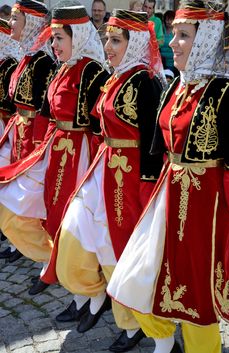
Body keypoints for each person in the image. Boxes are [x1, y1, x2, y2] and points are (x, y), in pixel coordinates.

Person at [107, 1, 229, 353]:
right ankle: (164, 342)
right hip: (167, 196)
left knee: (196, 295)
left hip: (204, 209)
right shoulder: (175, 86)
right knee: (131, 278)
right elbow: (156, 147)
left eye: (183, 35)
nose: (173, 42)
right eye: (174, 34)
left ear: (207, 40)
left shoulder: (225, 93)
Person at [55, 8, 164, 353]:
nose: (109, 45)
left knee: (120, 248)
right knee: (82, 232)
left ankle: (134, 325)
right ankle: (94, 294)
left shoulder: (145, 82)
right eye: (107, 39)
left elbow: (151, 140)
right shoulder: (116, 77)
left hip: (129, 178)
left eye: (117, 40)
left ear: (135, 44)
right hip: (106, 167)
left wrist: (146, 187)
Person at [0, 1, 109, 296]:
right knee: (51, 208)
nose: (53, 43)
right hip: (57, 147)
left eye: (60, 38)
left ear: (78, 37)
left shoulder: (93, 72)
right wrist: (41, 151)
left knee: (75, 216)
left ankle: (89, 289)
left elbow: (101, 126)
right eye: (53, 37)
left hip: (80, 151)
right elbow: (49, 114)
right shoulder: (62, 68)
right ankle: (60, 268)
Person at [0, 0, 56, 263]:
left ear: (30, 23)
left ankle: (46, 256)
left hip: (32, 133)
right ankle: (20, 245)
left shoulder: (43, 60)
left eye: (15, 19)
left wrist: (37, 146)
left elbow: (44, 107)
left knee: (28, 197)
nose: (11, 24)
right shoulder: (28, 56)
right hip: (19, 129)